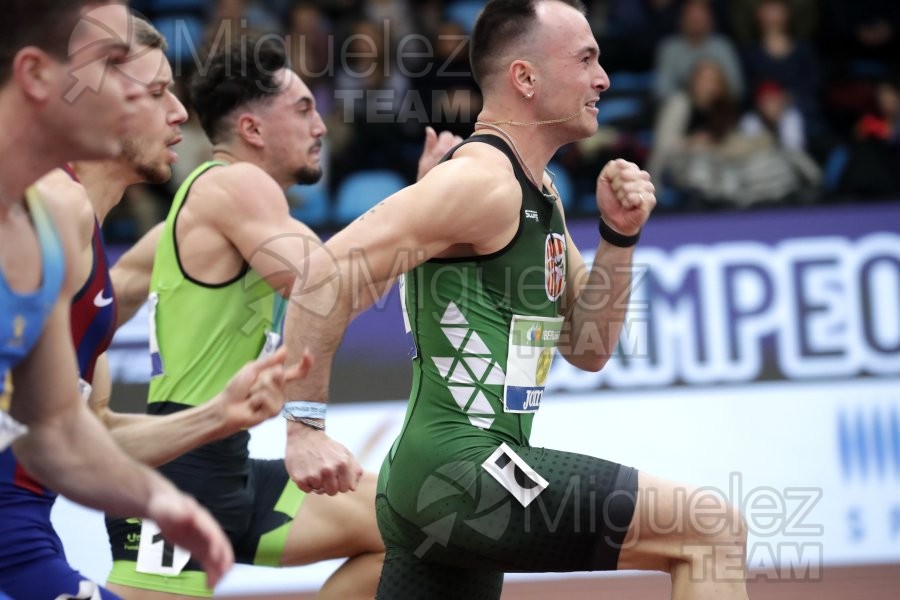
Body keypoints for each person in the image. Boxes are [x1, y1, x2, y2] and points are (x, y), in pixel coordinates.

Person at [281, 1, 750, 599]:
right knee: (709, 531)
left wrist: (619, 236)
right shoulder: (482, 181)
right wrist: (304, 428)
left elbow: (589, 346)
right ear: (525, 78)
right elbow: (324, 275)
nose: (603, 79)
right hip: (463, 470)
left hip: (457, 478)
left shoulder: (540, 193)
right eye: (585, 59)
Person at [103, 36, 460, 599]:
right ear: (252, 130)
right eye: (303, 109)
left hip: (231, 469)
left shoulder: (206, 206)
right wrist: (429, 212)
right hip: (178, 475)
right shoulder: (234, 185)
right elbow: (328, 284)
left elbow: (99, 297)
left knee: (424, 529)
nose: (321, 125)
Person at [0, 17, 308, 599]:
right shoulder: (53, 204)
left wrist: (218, 416)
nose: (178, 113)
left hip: (25, 544)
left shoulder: (82, 239)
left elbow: (77, 435)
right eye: (156, 91)